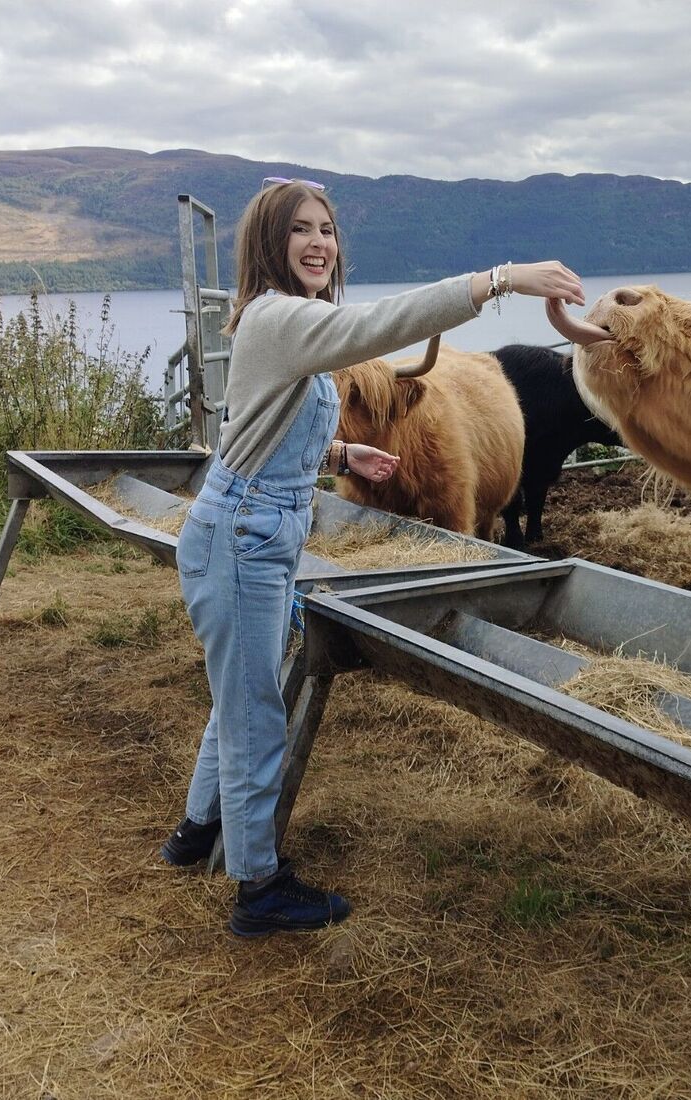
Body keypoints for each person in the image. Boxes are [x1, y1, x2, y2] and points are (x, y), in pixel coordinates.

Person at [160, 177, 585, 936]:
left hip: (256, 530)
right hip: (244, 537)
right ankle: (257, 886)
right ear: (269, 243)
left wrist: (339, 453)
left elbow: (247, 432)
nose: (319, 243)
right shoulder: (281, 317)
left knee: (240, 690)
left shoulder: (280, 322)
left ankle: (198, 831)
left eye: (327, 229)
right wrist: (499, 280)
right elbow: (382, 323)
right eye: (300, 229)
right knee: (257, 710)